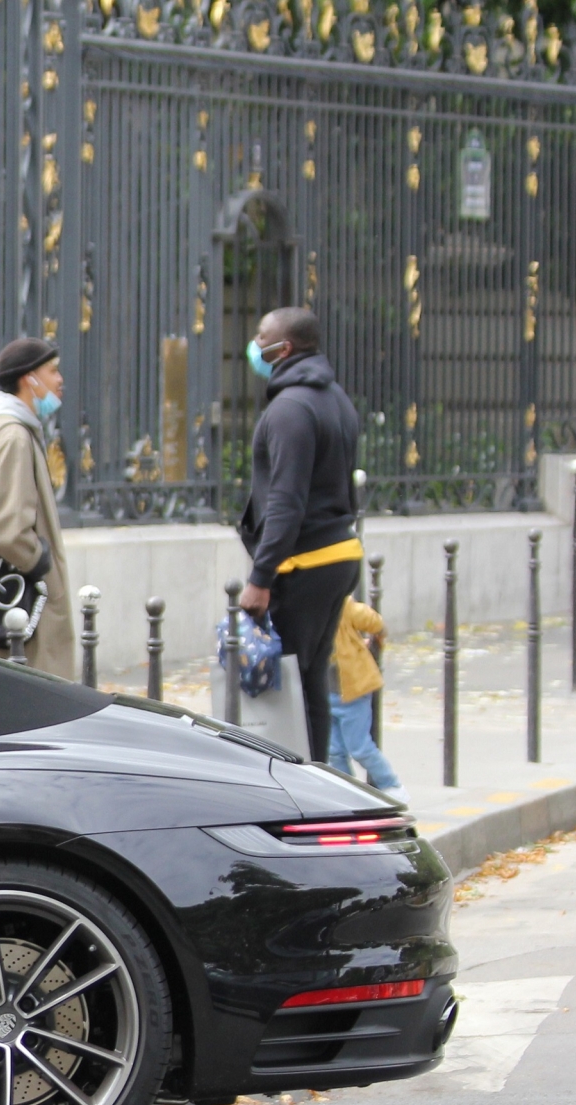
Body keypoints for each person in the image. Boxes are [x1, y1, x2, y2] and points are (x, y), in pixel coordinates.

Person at [236, 306, 362, 763]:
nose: (255, 343)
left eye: (261, 336)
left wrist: (261, 578)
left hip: (302, 565)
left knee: (284, 685)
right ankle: (317, 779)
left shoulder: (290, 408)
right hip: (337, 555)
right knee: (308, 681)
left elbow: (285, 502)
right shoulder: (333, 398)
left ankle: (289, 787)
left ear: (283, 348)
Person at [0, 336, 76, 678]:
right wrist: (42, 564)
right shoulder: (13, 436)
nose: (60, 379)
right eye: (52, 371)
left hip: (1, 600)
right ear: (29, 379)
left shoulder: (2, 428)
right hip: (18, 608)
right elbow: (6, 530)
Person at [327, 595, 404, 796]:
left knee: (359, 747)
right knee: (334, 752)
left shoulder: (342, 605)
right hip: (325, 692)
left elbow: (373, 620)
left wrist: (378, 635)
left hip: (353, 689)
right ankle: (349, 793)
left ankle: (391, 786)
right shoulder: (305, 608)